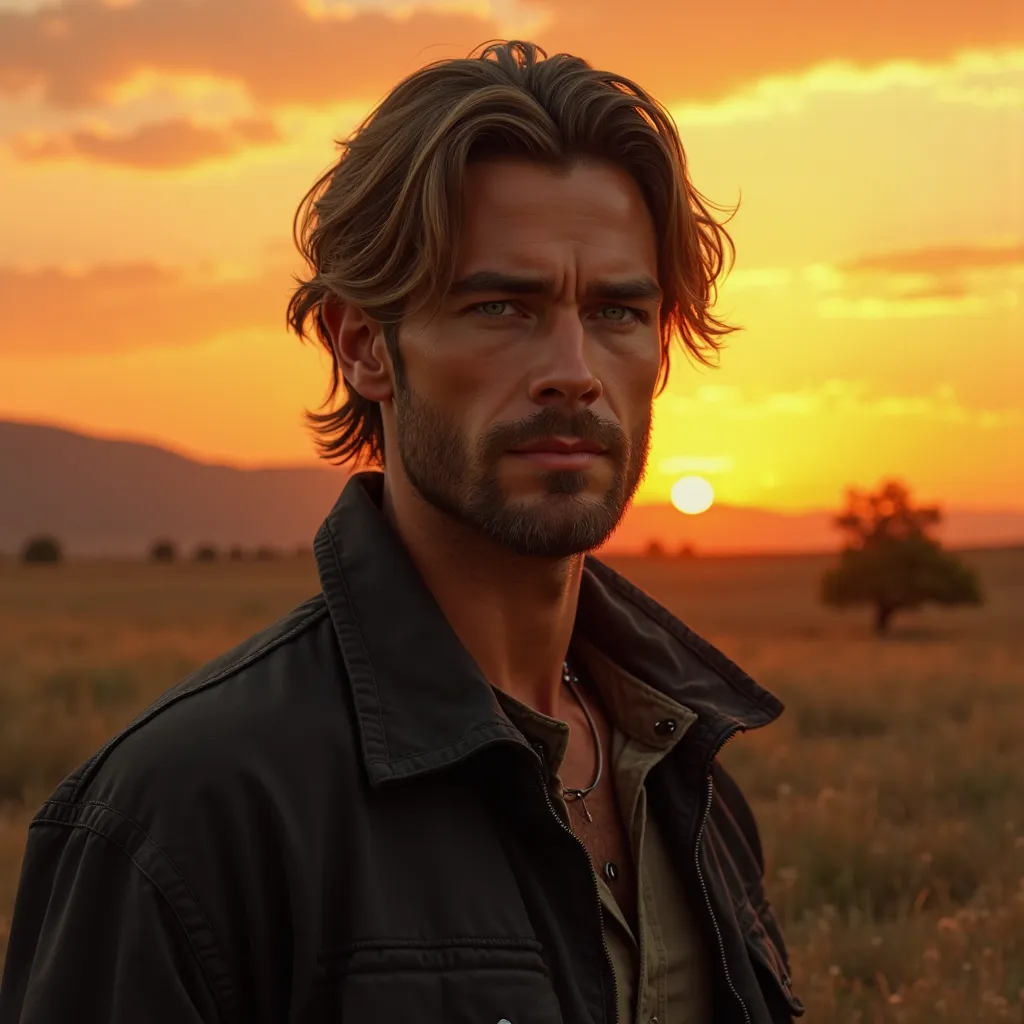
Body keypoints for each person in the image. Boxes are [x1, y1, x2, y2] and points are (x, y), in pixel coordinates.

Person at [0, 40, 803, 1024]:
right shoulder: (182, 815)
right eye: (500, 305)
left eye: (617, 310)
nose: (572, 368)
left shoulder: (688, 784)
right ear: (362, 344)